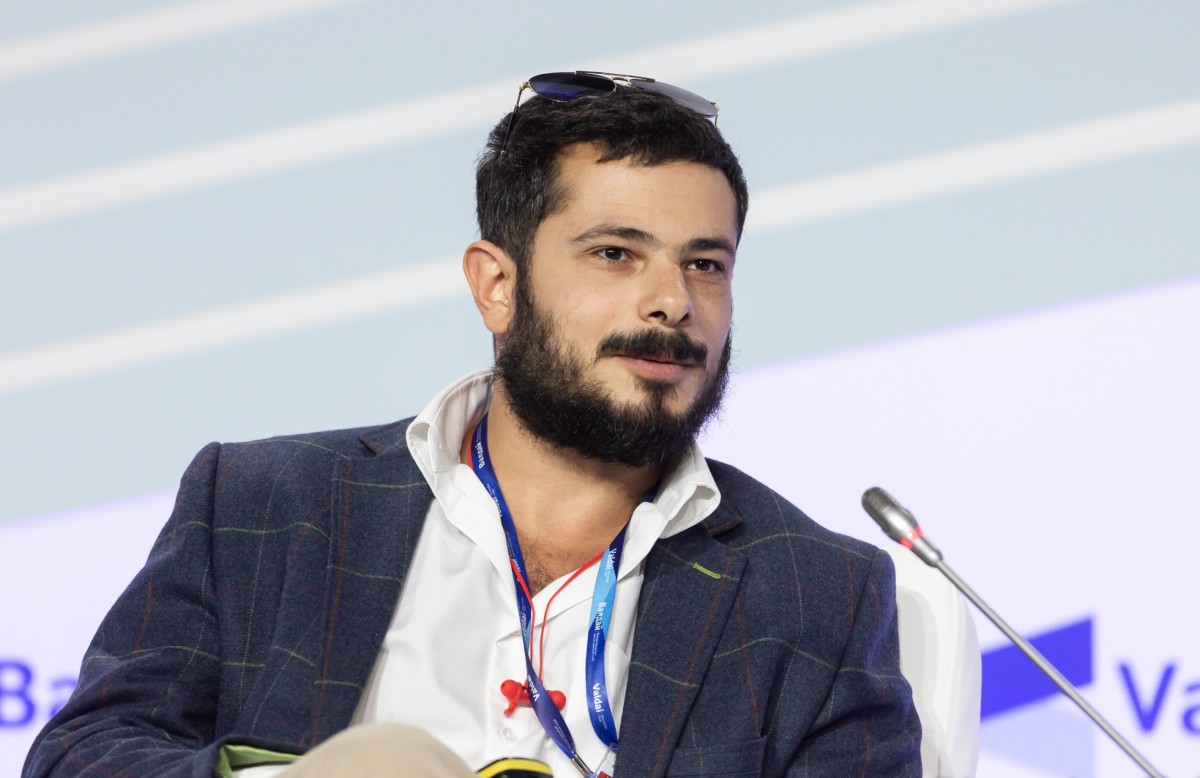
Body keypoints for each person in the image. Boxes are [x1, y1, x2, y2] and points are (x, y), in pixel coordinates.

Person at [24, 71, 921, 777]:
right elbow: (80, 757)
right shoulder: (266, 505)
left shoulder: (818, 594)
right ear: (497, 286)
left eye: (706, 265)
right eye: (616, 253)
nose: (671, 302)